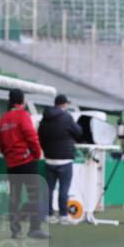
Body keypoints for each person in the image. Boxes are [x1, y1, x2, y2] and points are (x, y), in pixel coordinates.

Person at [0, 88, 47, 240]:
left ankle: (15, 230)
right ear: (22, 100)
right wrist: (37, 154)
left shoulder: (3, 119)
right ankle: (35, 228)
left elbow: (0, 145)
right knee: (34, 195)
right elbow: (31, 136)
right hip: (27, 162)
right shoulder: (23, 115)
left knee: (14, 198)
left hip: (12, 164)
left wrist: (9, 156)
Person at [38, 94, 83, 225]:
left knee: (49, 188)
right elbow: (78, 132)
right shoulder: (66, 117)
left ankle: (49, 215)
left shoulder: (44, 118)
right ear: (64, 104)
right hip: (65, 159)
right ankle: (63, 216)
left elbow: (40, 135)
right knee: (64, 188)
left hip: (49, 159)